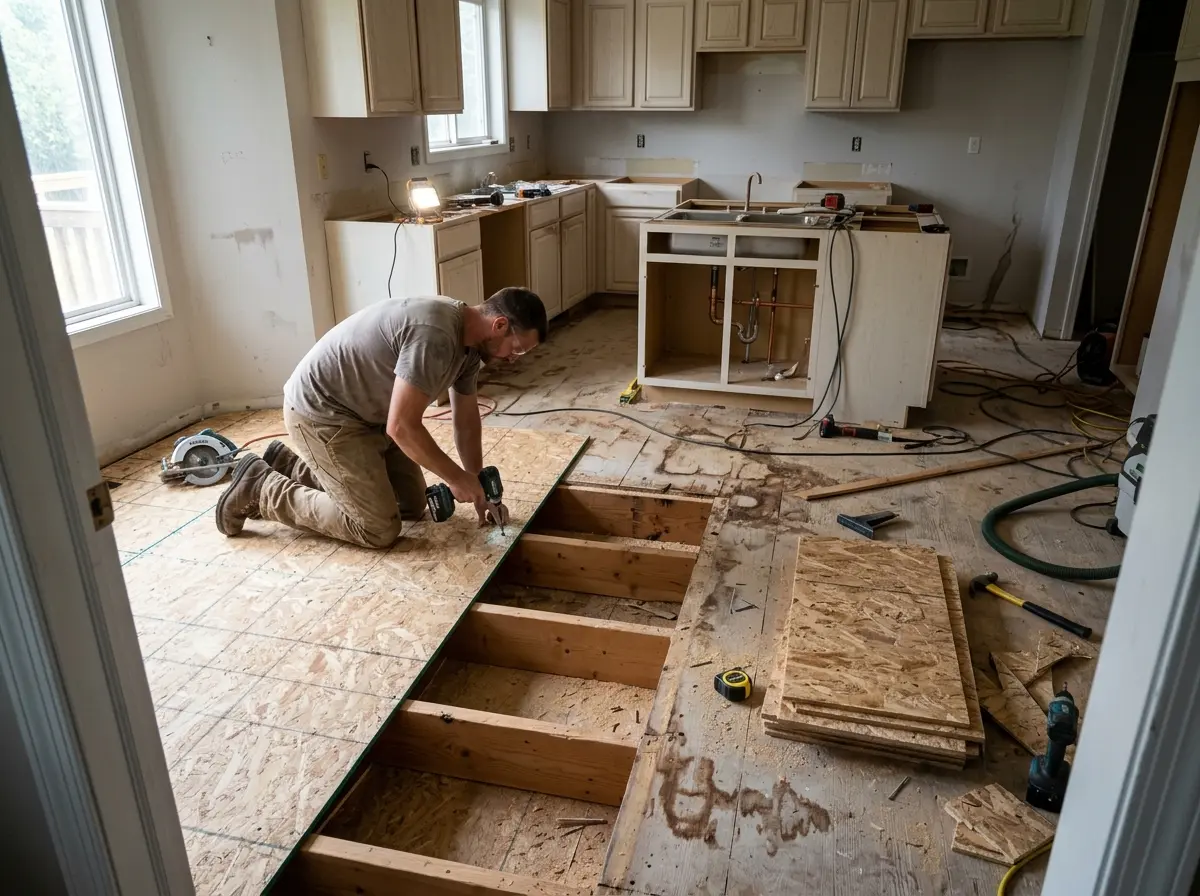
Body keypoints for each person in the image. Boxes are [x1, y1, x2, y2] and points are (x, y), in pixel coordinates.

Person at [214, 287, 547, 548]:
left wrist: (476, 485)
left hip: (368, 416)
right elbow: (401, 426)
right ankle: (260, 487)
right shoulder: (437, 334)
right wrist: (456, 479)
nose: (513, 359)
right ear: (499, 325)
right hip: (324, 414)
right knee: (377, 527)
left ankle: (289, 466)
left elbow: (465, 420)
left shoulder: (470, 345)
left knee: (410, 504)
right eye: (516, 349)